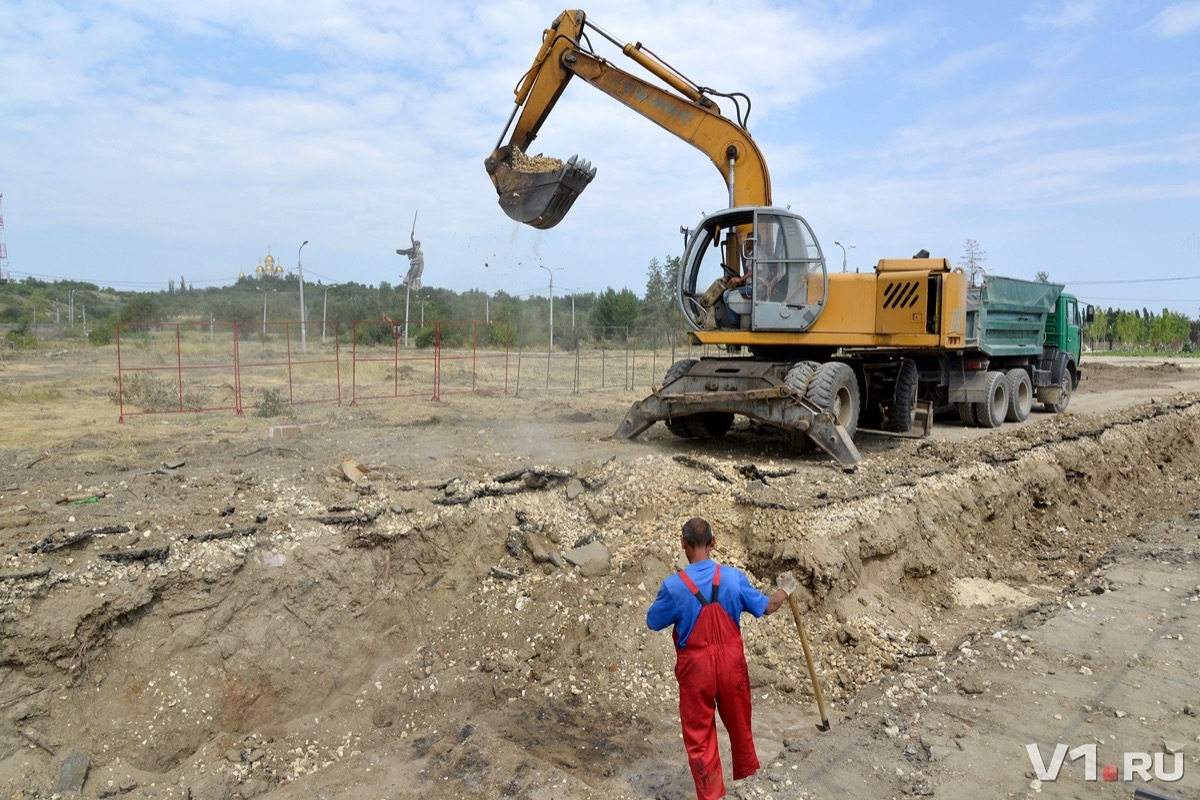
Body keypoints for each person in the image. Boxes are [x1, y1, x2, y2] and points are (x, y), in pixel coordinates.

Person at [646, 517, 796, 800]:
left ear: (683, 545)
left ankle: (712, 796)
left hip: (695, 673)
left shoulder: (674, 586)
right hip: (732, 668)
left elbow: (653, 621)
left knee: (700, 742)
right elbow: (767, 607)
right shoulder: (732, 578)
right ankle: (751, 790)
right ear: (713, 543)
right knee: (741, 733)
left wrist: (676, 593)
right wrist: (784, 590)